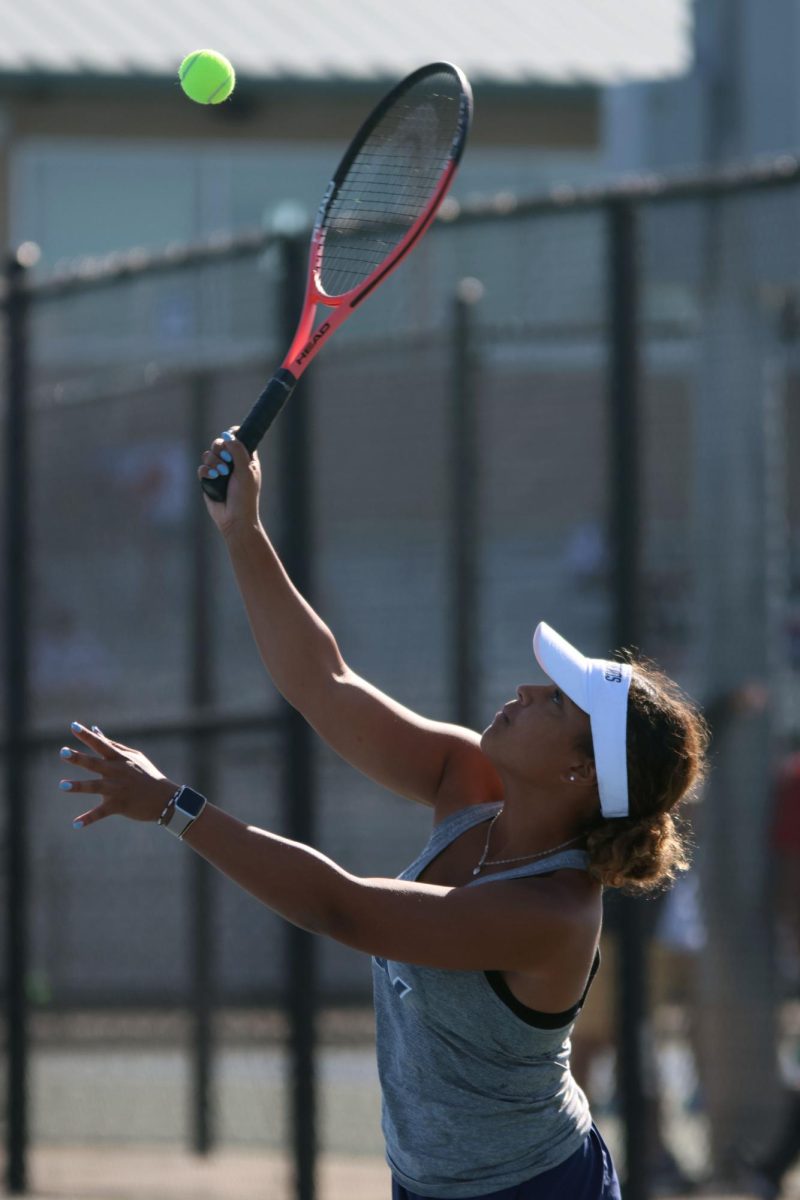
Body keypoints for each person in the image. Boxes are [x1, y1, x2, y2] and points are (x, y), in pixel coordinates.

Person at [58, 429, 710, 1200]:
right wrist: (245, 533)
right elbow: (325, 682)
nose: (528, 691)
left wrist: (174, 806)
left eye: (556, 700)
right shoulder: (471, 780)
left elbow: (346, 908)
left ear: (582, 769)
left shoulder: (552, 910)